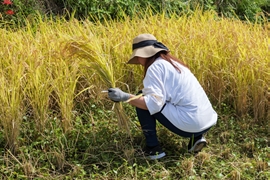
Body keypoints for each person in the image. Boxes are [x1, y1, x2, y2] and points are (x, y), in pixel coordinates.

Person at [107, 34, 217, 160]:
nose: (138, 61)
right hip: (208, 120)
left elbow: (153, 104)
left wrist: (125, 97)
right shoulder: (173, 62)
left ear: (143, 54)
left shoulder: (154, 67)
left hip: (190, 123)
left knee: (141, 98)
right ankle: (197, 138)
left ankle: (153, 149)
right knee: (173, 100)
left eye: (138, 56)